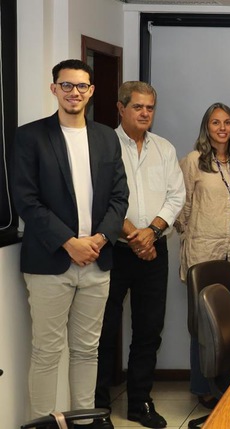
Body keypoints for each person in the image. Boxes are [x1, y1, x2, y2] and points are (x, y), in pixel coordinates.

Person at [12, 59, 129, 424]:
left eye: (81, 86)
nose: (74, 93)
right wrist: (68, 241)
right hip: (50, 263)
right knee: (47, 352)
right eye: (66, 85)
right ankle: (42, 424)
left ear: (91, 91)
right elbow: (26, 200)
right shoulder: (30, 137)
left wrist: (97, 239)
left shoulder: (106, 137)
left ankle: (83, 421)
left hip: (97, 261)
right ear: (54, 89)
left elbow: (119, 196)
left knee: (87, 351)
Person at [93, 82, 185, 429]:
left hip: (154, 249)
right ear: (121, 108)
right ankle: (98, 407)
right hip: (114, 249)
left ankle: (139, 403)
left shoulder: (164, 148)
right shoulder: (103, 146)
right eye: (138, 107)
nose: (145, 113)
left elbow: (177, 196)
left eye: (150, 108)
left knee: (149, 329)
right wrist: (132, 234)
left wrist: (152, 232)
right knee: (105, 330)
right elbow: (100, 198)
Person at [177, 102, 230, 406]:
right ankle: (202, 385)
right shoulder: (193, 161)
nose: (222, 128)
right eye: (216, 123)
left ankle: (229, 380)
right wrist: (185, 236)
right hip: (204, 245)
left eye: (228, 122)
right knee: (205, 319)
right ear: (206, 127)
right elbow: (184, 206)